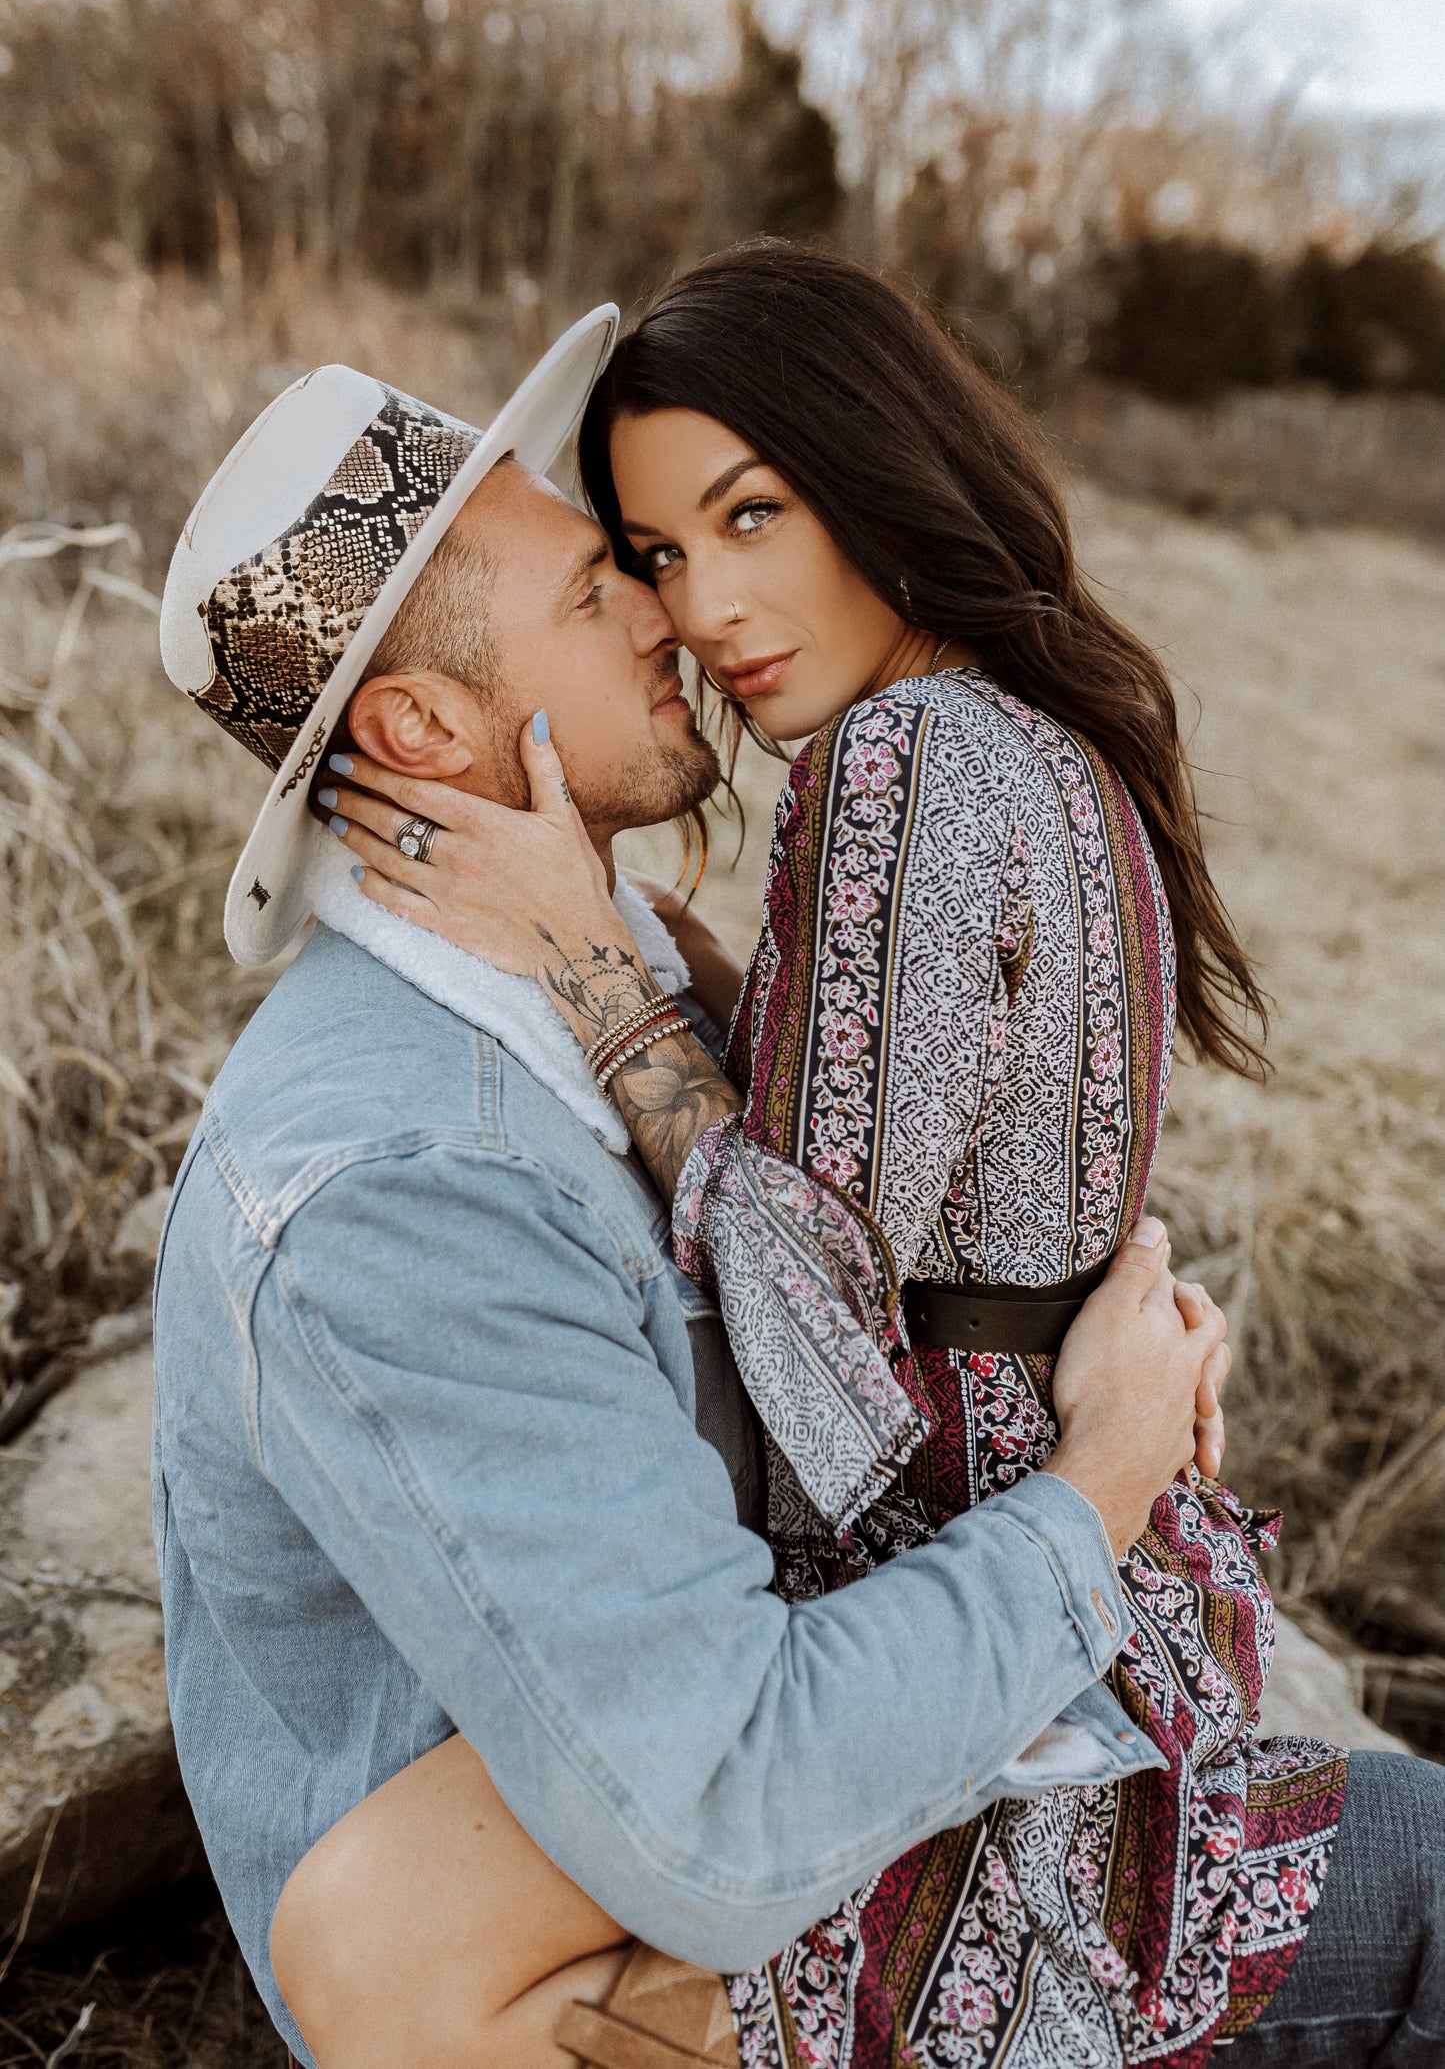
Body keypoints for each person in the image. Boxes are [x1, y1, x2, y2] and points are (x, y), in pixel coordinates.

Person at [311, 247, 1442, 2069]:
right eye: (662, 557)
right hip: (1073, 1541)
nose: (705, 609)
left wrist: (598, 981)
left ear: (873, 468)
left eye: (752, 515)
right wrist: (691, 967)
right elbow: (933, 1113)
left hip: (974, 1563)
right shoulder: (1030, 730)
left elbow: (807, 1287)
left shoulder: (901, 760)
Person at [153, 320, 1229, 2069]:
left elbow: (896, 1194)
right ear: (422, 722)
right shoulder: (403, 1186)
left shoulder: (633, 932)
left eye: (711, 533)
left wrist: (1085, 1328)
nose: (675, 615)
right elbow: (720, 1808)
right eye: (610, 581)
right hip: (609, 1940)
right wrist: (1105, 1466)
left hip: (848, 1752)